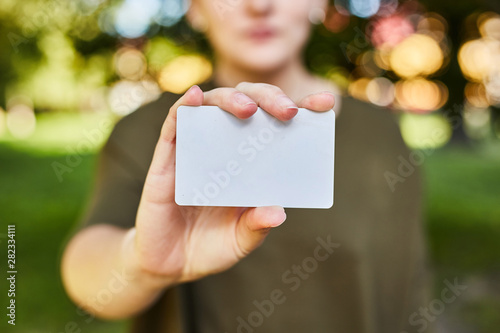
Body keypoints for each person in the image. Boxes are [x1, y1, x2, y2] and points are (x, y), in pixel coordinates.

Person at [61, 0, 432, 332]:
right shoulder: (155, 133)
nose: (259, 5)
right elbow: (86, 271)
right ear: (194, 7)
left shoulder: (381, 135)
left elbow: (407, 288)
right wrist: (141, 262)